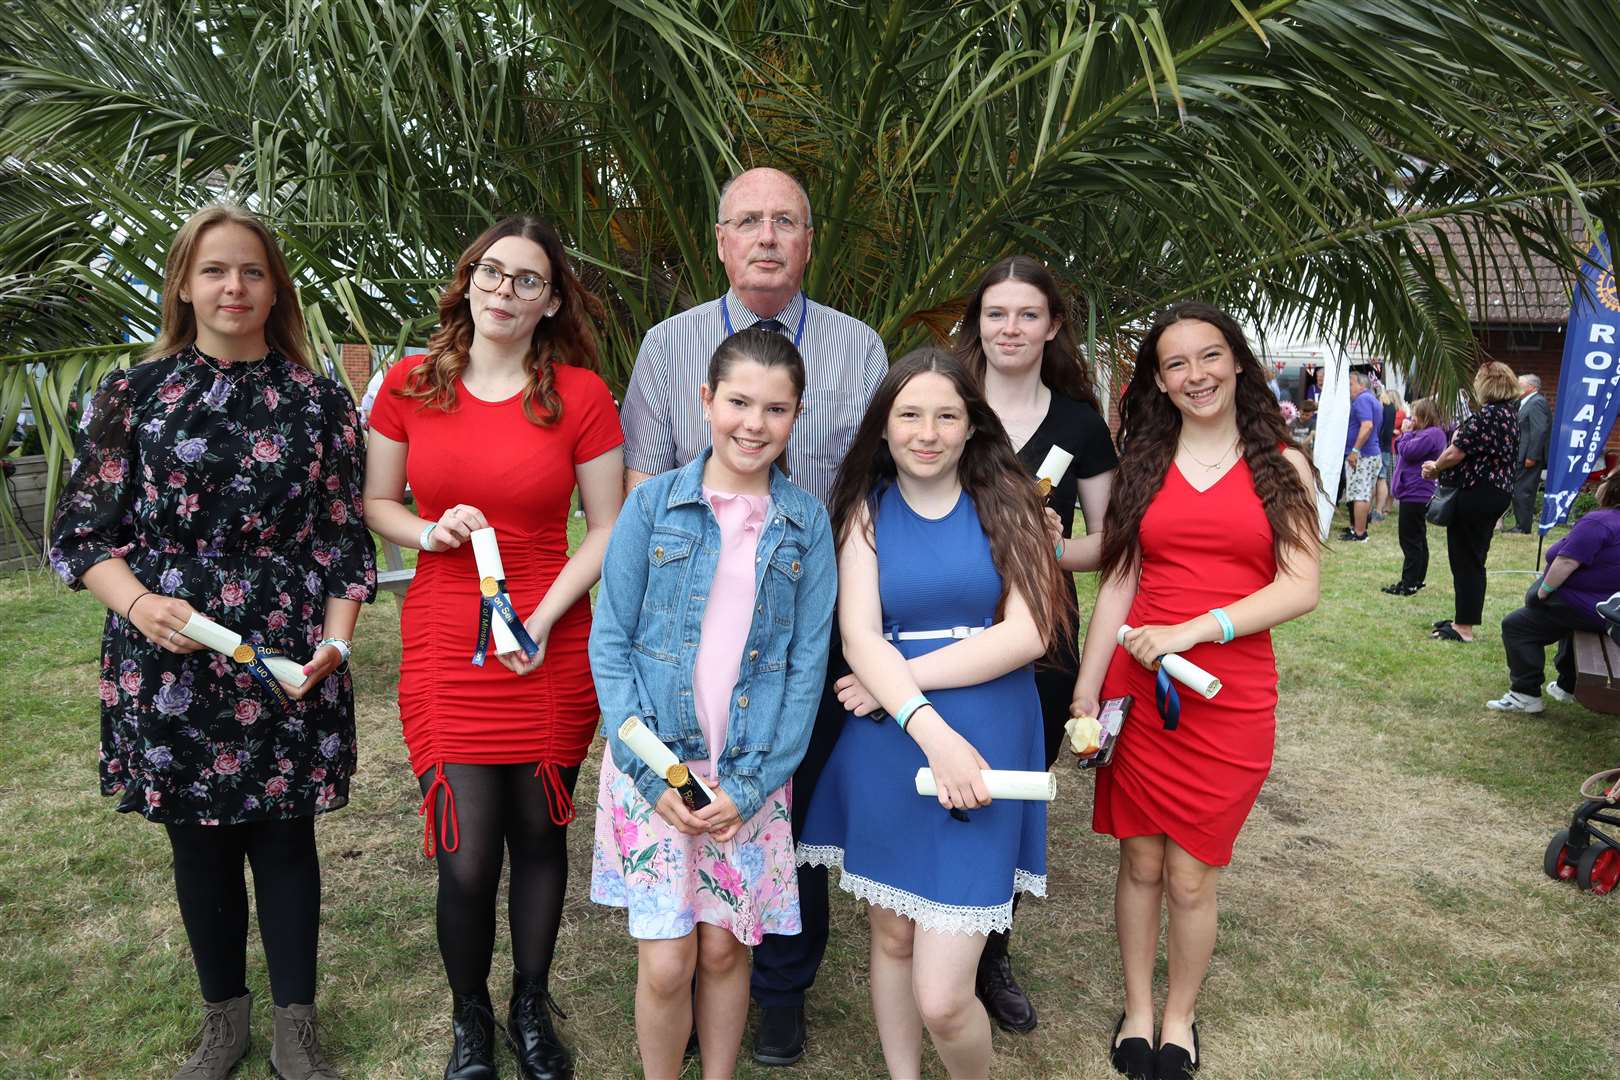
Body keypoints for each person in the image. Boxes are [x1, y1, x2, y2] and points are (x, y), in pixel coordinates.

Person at [49, 204, 376, 1080]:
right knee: (197, 840)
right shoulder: (134, 393)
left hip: (286, 658)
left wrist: (335, 650)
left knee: (284, 837)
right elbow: (81, 534)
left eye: (252, 272)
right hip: (173, 657)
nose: (234, 288)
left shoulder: (316, 400)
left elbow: (345, 542)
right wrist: (138, 603)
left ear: (276, 289)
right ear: (185, 286)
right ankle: (222, 1019)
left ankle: (294, 1026)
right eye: (215, 271)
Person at [618, 166, 888, 1066]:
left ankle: (784, 990)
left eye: (787, 221)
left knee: (788, 814)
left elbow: (869, 492)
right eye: (749, 221)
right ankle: (685, 1005)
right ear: (721, 239)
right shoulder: (670, 346)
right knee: (679, 940)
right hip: (674, 673)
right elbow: (640, 494)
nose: (768, 236)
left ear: (810, 240)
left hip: (794, 639)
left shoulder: (859, 347)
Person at [362, 216, 624, 1080]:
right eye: (493, 273)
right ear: (469, 278)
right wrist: (431, 530)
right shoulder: (409, 384)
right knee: (466, 852)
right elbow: (379, 505)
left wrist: (543, 619)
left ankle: (529, 1005)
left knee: (538, 834)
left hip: (550, 630)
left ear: (551, 301)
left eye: (527, 281)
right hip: (447, 634)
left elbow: (607, 528)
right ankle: (469, 1015)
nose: (505, 291)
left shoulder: (580, 396)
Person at [799, 349, 1064, 1080]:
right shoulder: (862, 513)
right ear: (882, 428)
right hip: (893, 744)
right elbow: (858, 636)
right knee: (891, 934)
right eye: (909, 414)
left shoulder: (1012, 503)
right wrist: (927, 727)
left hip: (988, 730)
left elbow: (1027, 633)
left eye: (947, 415)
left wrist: (893, 681)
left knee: (945, 995)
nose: (927, 431)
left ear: (971, 425)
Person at [1072, 303, 1320, 1080]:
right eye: (1175, 364)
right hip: (1136, 693)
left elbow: (1301, 586)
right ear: (1159, 379)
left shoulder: (1282, 464)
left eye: (1208, 357)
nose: (1195, 375)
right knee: (1141, 863)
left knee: (1191, 871)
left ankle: (1180, 1016)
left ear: (1238, 362)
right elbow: (1119, 578)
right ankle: (1138, 1012)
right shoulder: (1145, 459)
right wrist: (1085, 690)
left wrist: (1197, 629)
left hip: (1229, 695)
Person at [589, 329, 836, 1080]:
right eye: (737, 402)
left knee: (728, 948)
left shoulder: (805, 522)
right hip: (657, 769)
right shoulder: (653, 506)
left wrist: (753, 786)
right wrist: (648, 774)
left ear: (796, 416)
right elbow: (612, 643)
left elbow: (805, 667)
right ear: (706, 400)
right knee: (667, 963)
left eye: (775, 408)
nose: (753, 424)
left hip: (750, 771)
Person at [948, 255, 1116, 1031]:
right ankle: (929, 931)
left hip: (1042, 641)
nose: (1009, 328)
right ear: (976, 322)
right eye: (995, 313)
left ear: (1052, 327)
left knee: (1010, 793)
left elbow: (1110, 546)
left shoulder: (1079, 423)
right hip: (941, 628)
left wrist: (1050, 546)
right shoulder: (942, 400)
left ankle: (990, 952)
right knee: (942, 778)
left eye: (1026, 315)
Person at [1487, 469, 1620, 712]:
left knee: (1517, 625)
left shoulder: (1600, 521)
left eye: (1605, 479)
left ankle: (1524, 695)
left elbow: (1567, 562)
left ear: (1613, 487)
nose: (1600, 484)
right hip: (1608, 608)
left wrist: (1544, 590)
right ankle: (1567, 686)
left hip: (1593, 608)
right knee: (1565, 621)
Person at [1421, 362, 1521, 643]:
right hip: (1495, 493)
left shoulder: (1487, 416)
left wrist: (1434, 468)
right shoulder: (1508, 415)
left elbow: (1455, 451)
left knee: (1466, 559)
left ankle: (1463, 627)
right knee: (1473, 557)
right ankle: (1462, 618)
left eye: (1478, 378)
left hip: (1476, 493)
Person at [1383, 397, 1448, 596]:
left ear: (1423, 415)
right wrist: (1408, 435)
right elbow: (1401, 448)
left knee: (1410, 539)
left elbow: (1407, 451)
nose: (1411, 418)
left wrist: (1405, 434)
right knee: (1418, 538)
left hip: (1416, 492)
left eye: (1414, 414)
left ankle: (1409, 583)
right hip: (1412, 491)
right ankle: (1416, 579)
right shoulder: (1424, 433)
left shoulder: (1431, 434)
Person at [1338, 369, 1381, 542]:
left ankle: (1360, 533)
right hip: (1369, 452)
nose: (1348, 388)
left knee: (1360, 494)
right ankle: (1356, 528)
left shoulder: (1362, 400)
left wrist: (1355, 450)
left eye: (1350, 384)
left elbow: (1367, 426)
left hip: (1363, 454)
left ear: (1361, 385)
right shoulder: (1372, 399)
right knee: (1360, 492)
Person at [1510, 373, 1551, 533]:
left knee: (1523, 491)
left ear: (1531, 387)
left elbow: (1539, 430)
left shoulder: (1537, 402)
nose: (1516, 387)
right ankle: (1520, 524)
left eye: (1520, 384)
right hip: (1521, 454)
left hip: (1529, 456)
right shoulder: (1522, 403)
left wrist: (1532, 456)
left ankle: (1523, 527)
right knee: (1518, 489)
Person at [1371, 386, 1400, 521]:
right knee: (1381, 479)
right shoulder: (1392, 409)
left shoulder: (1381, 408)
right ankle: (1378, 510)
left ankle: (1372, 510)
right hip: (1387, 447)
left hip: (1378, 447)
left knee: (1375, 479)